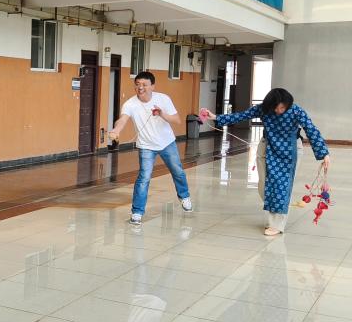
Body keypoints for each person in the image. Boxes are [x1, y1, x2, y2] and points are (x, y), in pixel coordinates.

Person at [206, 88, 330, 236]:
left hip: (290, 151)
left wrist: (324, 154)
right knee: (264, 186)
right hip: (267, 147)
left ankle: (276, 224)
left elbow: (311, 129)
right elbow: (241, 116)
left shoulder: (296, 111)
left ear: (288, 104)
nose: (279, 111)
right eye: (276, 108)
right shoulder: (263, 109)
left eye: (282, 108)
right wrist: (215, 117)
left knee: (281, 186)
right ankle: (275, 209)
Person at [108, 70, 193, 225]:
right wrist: (116, 130)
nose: (140, 87)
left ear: (152, 86)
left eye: (144, 84)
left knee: (178, 171)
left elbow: (177, 120)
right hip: (146, 146)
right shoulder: (130, 104)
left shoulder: (163, 98)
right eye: (137, 84)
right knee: (144, 178)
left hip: (167, 143)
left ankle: (184, 196)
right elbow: (122, 120)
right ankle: (137, 212)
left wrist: (162, 114)